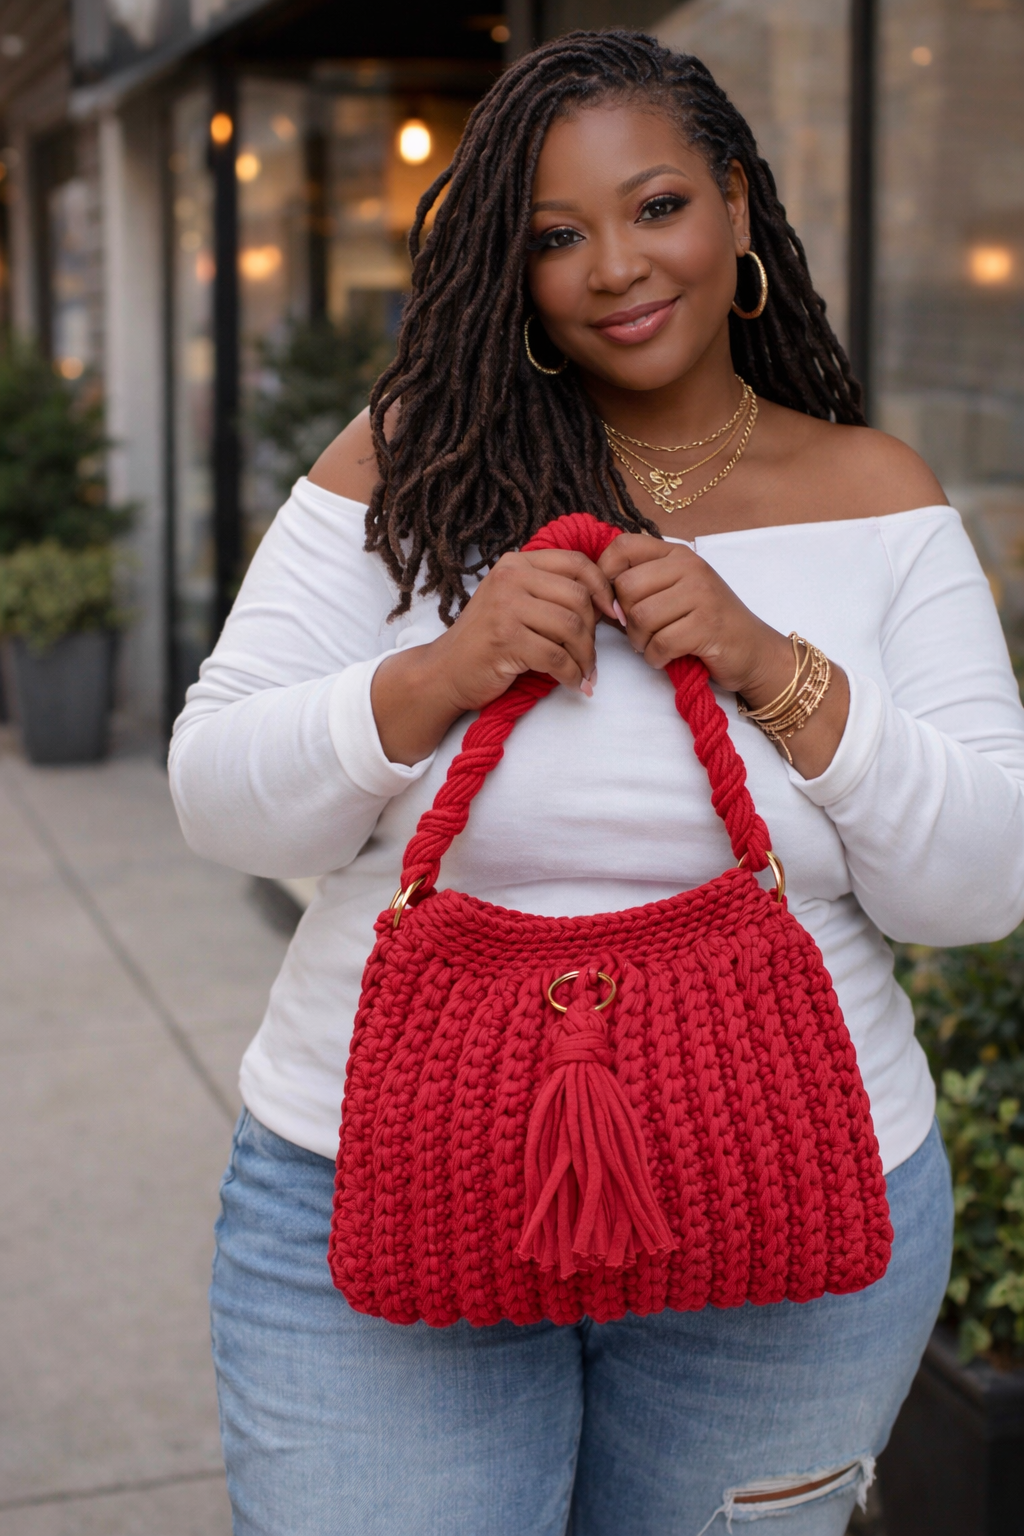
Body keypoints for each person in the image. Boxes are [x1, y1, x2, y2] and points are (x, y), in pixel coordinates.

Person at [169, 31, 1024, 1536]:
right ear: (511, 268)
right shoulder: (410, 471)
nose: (616, 267)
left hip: (792, 1199)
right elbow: (219, 799)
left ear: (740, 206)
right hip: (386, 1167)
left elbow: (976, 887)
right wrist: (443, 672)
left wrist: (775, 666)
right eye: (555, 236)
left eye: (657, 207)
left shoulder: (878, 499)